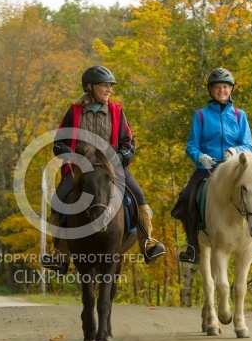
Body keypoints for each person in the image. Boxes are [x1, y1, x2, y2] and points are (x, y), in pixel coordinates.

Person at [41, 65, 166, 272]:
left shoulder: (117, 112)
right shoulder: (74, 112)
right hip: (81, 167)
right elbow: (58, 143)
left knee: (139, 197)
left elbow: (129, 143)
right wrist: (72, 155)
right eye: (104, 86)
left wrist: (121, 157)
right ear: (89, 87)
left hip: (113, 166)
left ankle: (148, 243)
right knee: (58, 200)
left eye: (110, 86)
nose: (109, 90)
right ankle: (60, 253)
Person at [177, 67, 252, 264]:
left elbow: (248, 144)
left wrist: (236, 151)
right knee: (188, 195)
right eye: (217, 87)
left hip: (236, 169)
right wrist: (200, 157)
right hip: (208, 168)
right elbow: (191, 146)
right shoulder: (200, 115)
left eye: (225, 87)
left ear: (231, 89)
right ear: (211, 90)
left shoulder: (240, 115)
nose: (221, 90)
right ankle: (192, 245)